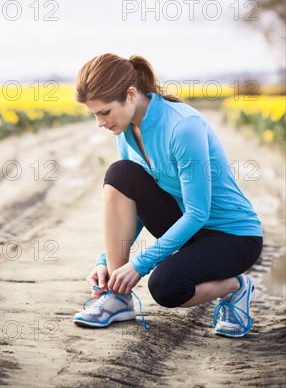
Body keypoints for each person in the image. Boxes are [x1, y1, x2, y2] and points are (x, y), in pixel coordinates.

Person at [72, 53, 263, 337]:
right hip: (189, 232)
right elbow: (131, 207)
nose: (100, 122)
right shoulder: (125, 131)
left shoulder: (183, 126)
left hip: (232, 237)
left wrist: (140, 264)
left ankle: (236, 286)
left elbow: (199, 213)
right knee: (120, 173)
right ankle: (116, 297)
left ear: (131, 94)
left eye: (105, 112)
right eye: (94, 115)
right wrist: (108, 264)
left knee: (166, 288)